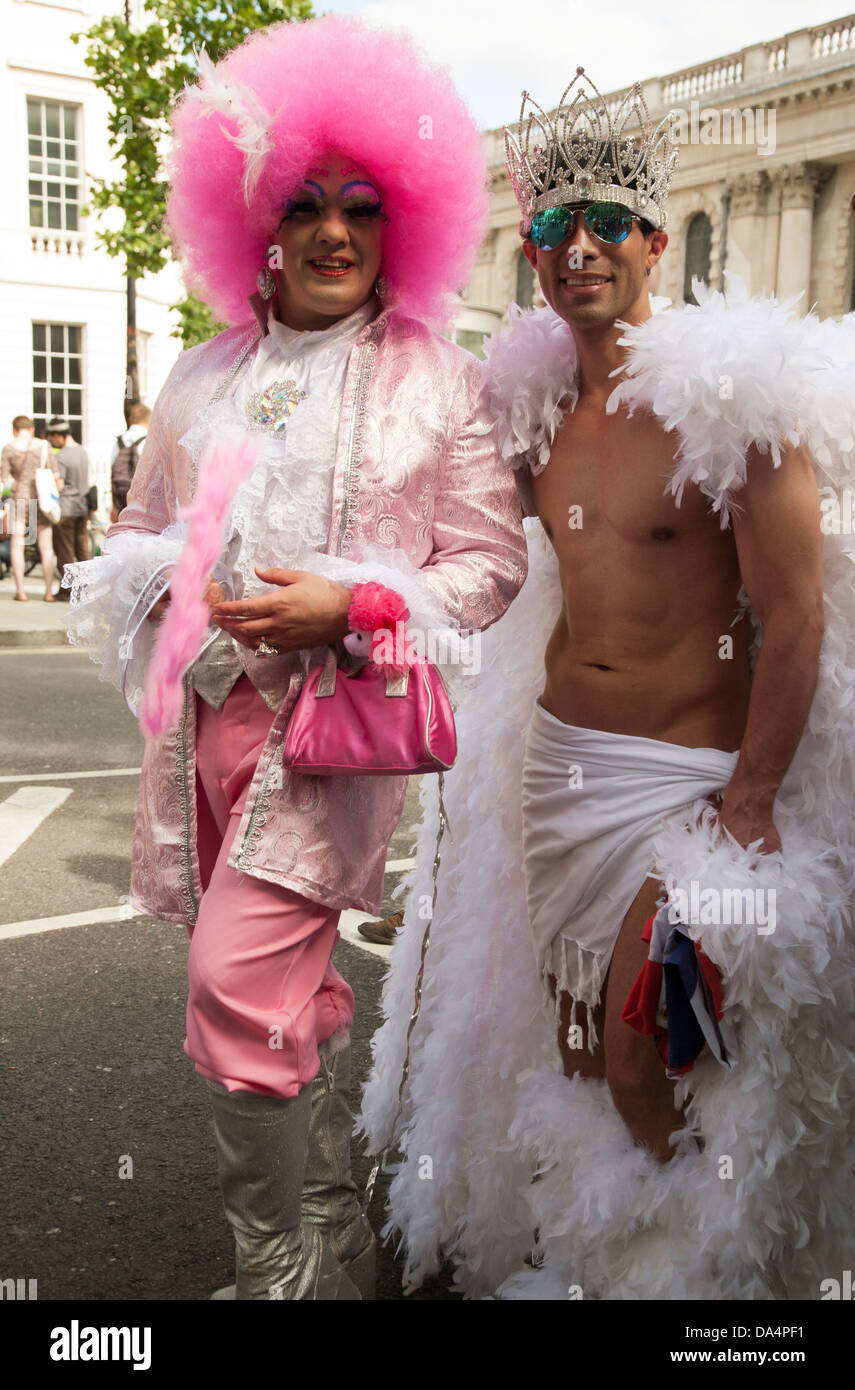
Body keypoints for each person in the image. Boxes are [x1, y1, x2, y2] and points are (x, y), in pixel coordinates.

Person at [362, 69, 855, 1299]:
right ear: (529, 254)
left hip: (689, 792)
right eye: (548, 228)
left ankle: (705, 1289)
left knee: (654, 1054)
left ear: (650, 239)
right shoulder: (528, 416)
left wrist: (749, 800)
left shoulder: (731, 408)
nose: (574, 247)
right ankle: (611, 1268)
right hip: (559, 782)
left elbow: (794, 616)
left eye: (601, 225)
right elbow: (443, 531)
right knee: (584, 1046)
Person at [63, 16, 526, 1302]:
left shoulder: (443, 379)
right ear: (255, 219)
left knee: (230, 985)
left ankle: (281, 1280)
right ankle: (334, 1227)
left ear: (404, 223)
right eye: (305, 203)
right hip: (201, 734)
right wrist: (165, 573)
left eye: (364, 205)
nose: (335, 231)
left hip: (329, 739)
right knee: (283, 986)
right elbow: (140, 528)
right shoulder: (202, 376)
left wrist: (353, 602)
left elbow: (489, 566)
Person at [0, 415, 61, 601]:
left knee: (17, 545)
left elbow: (3, 479)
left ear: (14, 429)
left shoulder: (9, 449)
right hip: (41, 499)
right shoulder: (44, 446)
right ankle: (49, 591)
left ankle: (21, 590)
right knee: (46, 546)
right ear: (32, 428)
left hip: (19, 499)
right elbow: (56, 475)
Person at [47, 417, 91, 599]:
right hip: (82, 506)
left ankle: (68, 590)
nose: (51, 442)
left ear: (58, 435)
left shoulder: (62, 456)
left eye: (51, 438)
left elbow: (59, 485)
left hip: (65, 508)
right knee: (83, 549)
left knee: (64, 551)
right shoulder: (82, 451)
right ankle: (88, 586)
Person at [110, 402, 150, 522]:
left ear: (130, 420)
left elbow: (112, 473)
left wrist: (114, 506)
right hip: (141, 502)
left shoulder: (118, 443)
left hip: (120, 499)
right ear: (149, 420)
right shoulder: (148, 441)